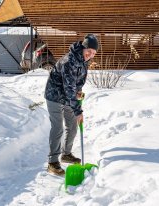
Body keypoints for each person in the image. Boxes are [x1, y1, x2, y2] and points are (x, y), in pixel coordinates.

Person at [44, 34, 98, 176]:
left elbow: (76, 82)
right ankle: (52, 162)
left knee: (73, 125)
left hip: (68, 97)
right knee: (57, 128)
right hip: (54, 96)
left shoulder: (83, 60)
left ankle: (66, 154)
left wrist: (78, 91)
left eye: (94, 53)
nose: (90, 55)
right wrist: (78, 110)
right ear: (83, 47)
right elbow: (69, 88)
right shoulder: (69, 61)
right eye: (89, 51)